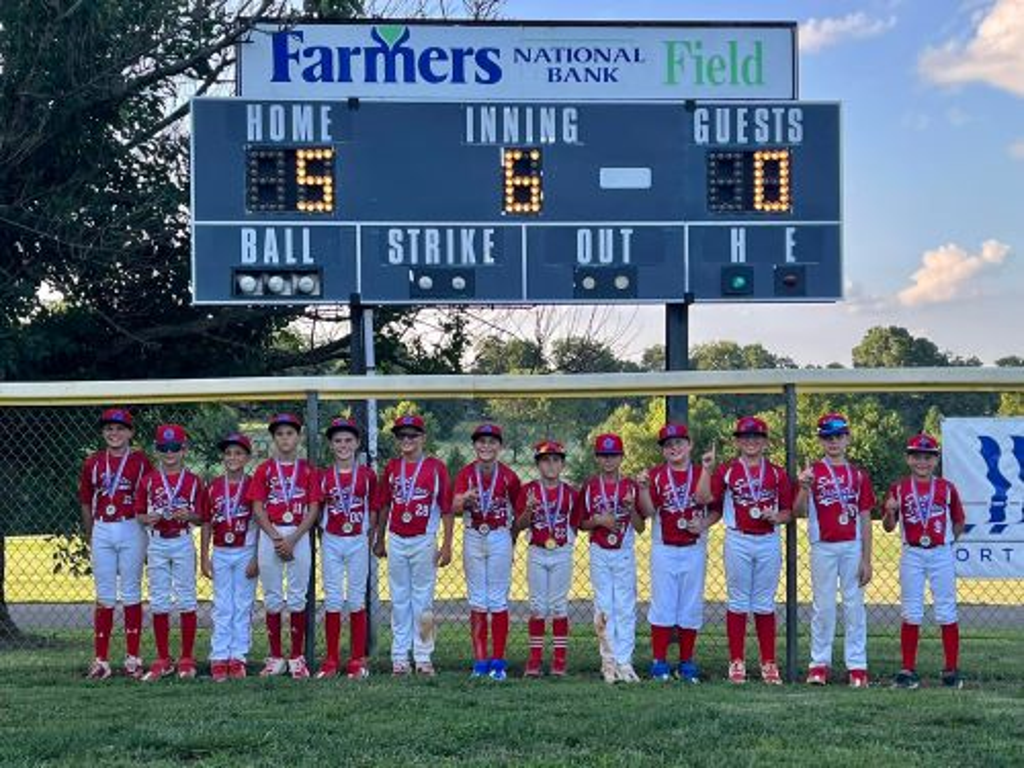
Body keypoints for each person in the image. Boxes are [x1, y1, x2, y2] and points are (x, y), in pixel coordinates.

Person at [699, 416, 793, 685]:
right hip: (737, 538)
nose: (751, 442)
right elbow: (705, 499)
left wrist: (777, 516)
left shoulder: (776, 473)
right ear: (737, 442)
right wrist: (707, 469)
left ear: (765, 442)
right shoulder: (728, 470)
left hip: (767, 539)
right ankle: (736, 661)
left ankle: (768, 662)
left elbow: (789, 512)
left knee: (764, 601)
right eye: (745, 437)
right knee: (738, 600)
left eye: (757, 437)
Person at [794, 412, 876, 688]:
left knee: (854, 606)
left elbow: (865, 517)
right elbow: (797, 511)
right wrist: (804, 488)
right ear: (820, 440)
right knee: (824, 607)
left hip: (851, 546)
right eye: (827, 437)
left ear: (848, 438)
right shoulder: (813, 472)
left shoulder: (858, 475)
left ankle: (857, 666)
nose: (834, 442)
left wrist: (867, 558)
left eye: (839, 436)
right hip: (823, 546)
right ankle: (819, 664)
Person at [636, 423, 719, 684]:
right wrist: (644, 489)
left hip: (694, 547)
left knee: (690, 606)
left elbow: (711, 505)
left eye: (679, 443)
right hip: (665, 547)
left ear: (689, 444)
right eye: (668, 445)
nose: (674, 448)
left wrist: (704, 523)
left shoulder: (701, 471)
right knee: (663, 605)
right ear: (663, 451)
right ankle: (659, 662)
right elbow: (649, 512)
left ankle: (686, 662)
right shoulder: (657, 475)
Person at [883, 432, 966, 689]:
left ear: (936, 459)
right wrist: (889, 510)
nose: (923, 462)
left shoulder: (946, 488)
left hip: (940, 551)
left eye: (928, 457)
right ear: (908, 459)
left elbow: (959, 521)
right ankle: (908, 669)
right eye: (917, 456)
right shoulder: (899, 488)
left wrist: (946, 541)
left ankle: (950, 670)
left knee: (945, 609)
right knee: (911, 610)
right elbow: (888, 527)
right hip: (912, 553)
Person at [373, 414, 454, 676]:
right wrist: (380, 537)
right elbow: (385, 504)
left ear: (423, 438)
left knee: (423, 602)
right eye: (402, 436)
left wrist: (447, 544)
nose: (407, 440)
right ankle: (399, 656)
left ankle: (423, 656)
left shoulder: (436, 468)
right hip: (397, 538)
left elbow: (446, 508)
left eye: (413, 435)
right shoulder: (393, 467)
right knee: (399, 600)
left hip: (424, 538)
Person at [78, 408, 152, 680]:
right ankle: (101, 660)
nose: (114, 433)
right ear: (103, 432)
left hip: (131, 526)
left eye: (120, 428)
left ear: (130, 432)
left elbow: (149, 495)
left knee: (132, 590)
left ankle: (133, 658)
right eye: (109, 428)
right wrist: (91, 534)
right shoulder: (94, 462)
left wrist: (147, 531)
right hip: (102, 528)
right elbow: (86, 501)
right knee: (105, 594)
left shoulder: (141, 460)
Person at [247, 413, 323, 679]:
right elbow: (257, 507)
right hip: (272, 533)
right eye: (279, 434)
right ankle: (276, 657)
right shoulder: (264, 469)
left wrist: (293, 538)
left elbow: (313, 508)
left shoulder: (308, 470)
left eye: (289, 433)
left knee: (297, 596)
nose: (284, 438)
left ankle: (297, 657)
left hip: (299, 535)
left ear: (298, 436)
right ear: (274, 438)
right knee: (272, 596)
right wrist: (276, 536)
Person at [135, 424, 206, 681]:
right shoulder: (149, 480)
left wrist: (190, 516)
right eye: (164, 448)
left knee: (187, 597)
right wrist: (148, 518)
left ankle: (187, 657)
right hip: (156, 541)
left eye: (175, 447)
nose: (170, 452)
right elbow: (139, 513)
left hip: (182, 539)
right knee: (159, 599)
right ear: (157, 450)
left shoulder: (193, 480)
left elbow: (201, 517)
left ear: (184, 449)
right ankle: (163, 657)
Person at [572, 433, 644, 684]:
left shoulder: (630, 486)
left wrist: (631, 507)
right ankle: (609, 661)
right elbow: (581, 523)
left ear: (622, 457)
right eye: (604, 455)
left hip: (624, 550)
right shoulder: (591, 486)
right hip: (599, 550)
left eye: (613, 455)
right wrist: (598, 521)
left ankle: (625, 661)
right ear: (597, 458)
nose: (609, 460)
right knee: (604, 606)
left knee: (625, 606)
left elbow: (641, 526)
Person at [452, 423, 521, 680]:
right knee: (478, 598)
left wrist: (510, 538)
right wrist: (462, 500)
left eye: (492, 442)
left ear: (500, 447)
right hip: (472, 534)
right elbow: (452, 506)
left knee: (498, 598)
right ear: (474, 445)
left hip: (499, 534)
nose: (486, 446)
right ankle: (480, 661)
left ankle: (499, 662)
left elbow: (521, 512)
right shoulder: (465, 474)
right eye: (481, 442)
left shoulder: (509, 476)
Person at [316, 416, 377, 680]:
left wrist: (368, 535)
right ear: (331, 444)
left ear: (358, 443)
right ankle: (331, 659)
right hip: (331, 538)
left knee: (355, 598)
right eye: (338, 440)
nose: (343, 445)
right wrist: (325, 537)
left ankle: (357, 659)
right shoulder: (323, 476)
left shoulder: (366, 475)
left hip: (357, 540)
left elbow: (374, 509)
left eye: (348, 440)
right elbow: (317, 511)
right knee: (331, 597)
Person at [514, 440, 578, 678]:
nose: (550, 465)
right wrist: (529, 510)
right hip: (537, 551)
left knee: (559, 604)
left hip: (561, 551)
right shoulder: (528, 490)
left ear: (562, 464)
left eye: (555, 460)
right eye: (545, 460)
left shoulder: (571, 493)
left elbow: (578, 523)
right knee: (538, 605)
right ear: (538, 465)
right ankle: (535, 659)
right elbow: (519, 525)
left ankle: (560, 660)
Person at [200, 432, 258, 682]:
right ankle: (219, 655)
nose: (232, 457)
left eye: (238, 453)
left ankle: (238, 656)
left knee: (243, 604)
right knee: (223, 605)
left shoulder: (254, 483)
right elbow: (206, 523)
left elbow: (259, 522)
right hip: (221, 551)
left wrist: (257, 557)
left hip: (246, 549)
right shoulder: (213, 486)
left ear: (246, 457)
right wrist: (205, 555)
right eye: (228, 453)